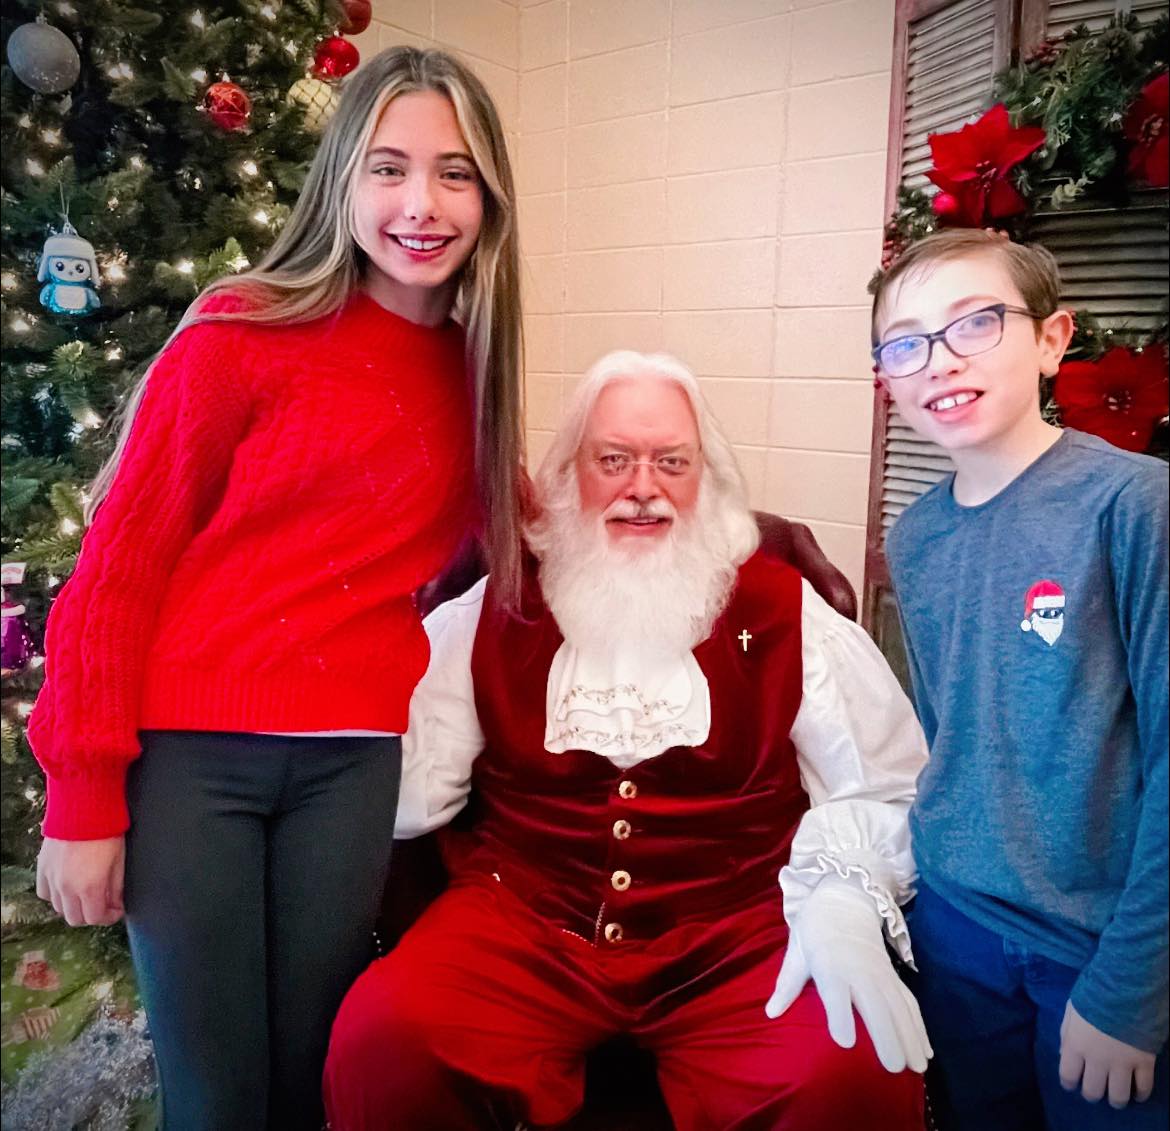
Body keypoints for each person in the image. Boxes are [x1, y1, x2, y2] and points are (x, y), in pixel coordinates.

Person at [29, 47, 524, 1131]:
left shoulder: (475, 373)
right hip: (192, 762)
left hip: (349, 769)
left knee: (313, 1080)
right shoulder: (241, 331)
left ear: (489, 199)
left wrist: (739, 528)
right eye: (390, 168)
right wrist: (81, 796)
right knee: (217, 1098)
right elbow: (117, 571)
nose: (422, 203)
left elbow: (540, 526)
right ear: (341, 179)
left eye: (456, 173)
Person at [323, 350, 932, 1130]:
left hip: (739, 931)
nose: (643, 488)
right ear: (569, 472)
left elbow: (886, 784)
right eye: (613, 459)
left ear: (702, 475)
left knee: (852, 1072)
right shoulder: (496, 605)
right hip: (522, 922)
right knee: (384, 1040)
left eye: (671, 462)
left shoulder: (787, 612)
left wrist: (842, 896)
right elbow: (410, 788)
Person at [871, 228, 1169, 1129]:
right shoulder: (916, 540)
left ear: (1051, 337)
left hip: (1099, 945)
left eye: (975, 324)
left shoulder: (1134, 506)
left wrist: (1131, 987)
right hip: (955, 931)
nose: (938, 361)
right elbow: (949, 735)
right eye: (904, 342)